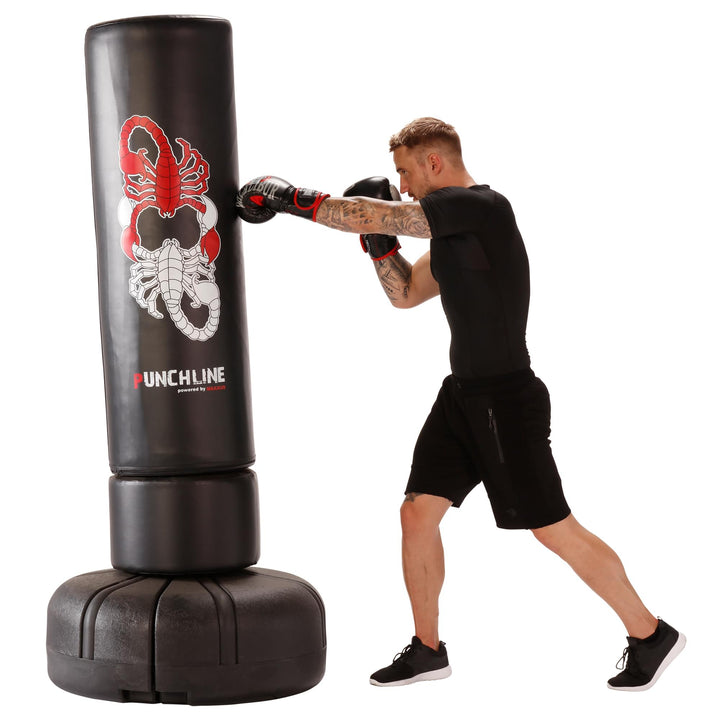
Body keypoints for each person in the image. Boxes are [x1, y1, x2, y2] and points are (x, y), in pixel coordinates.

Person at [236, 117, 685, 691]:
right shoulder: (449, 236)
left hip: (506, 399)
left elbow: (368, 212)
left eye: (405, 172)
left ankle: (650, 634)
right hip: (462, 396)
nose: (402, 186)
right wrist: (378, 247)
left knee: (553, 529)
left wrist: (289, 198)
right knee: (416, 513)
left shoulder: (482, 208)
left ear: (434, 162)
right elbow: (405, 294)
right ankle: (428, 649)